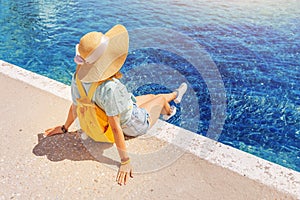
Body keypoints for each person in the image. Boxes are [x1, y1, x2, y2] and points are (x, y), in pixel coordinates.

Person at [45, 24, 187, 185]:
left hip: (119, 113)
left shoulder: (78, 78)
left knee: (151, 96)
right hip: (134, 123)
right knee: (160, 99)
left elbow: (76, 106)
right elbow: (115, 127)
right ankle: (171, 108)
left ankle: (172, 100)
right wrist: (125, 161)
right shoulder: (109, 88)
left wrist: (64, 128)